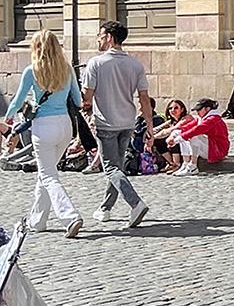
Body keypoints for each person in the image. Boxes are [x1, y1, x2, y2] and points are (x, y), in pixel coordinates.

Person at [0, 30, 84, 238]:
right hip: (65, 126)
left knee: (48, 175)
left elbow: (18, 100)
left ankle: (70, 216)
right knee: (46, 173)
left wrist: (9, 118)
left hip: (43, 127)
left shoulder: (32, 70)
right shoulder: (67, 69)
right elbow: (78, 100)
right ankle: (37, 221)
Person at [81, 20, 152, 228]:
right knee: (117, 168)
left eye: (101, 36)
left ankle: (135, 203)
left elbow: (86, 97)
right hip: (127, 122)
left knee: (111, 168)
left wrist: (82, 103)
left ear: (110, 38)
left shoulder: (96, 63)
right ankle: (106, 208)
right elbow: (144, 98)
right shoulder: (135, 65)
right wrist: (149, 125)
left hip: (106, 122)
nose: (98, 39)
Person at [168, 98, 230, 176]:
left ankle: (193, 166)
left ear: (207, 109)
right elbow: (186, 128)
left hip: (218, 150)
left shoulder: (213, 119)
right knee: (183, 134)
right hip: (210, 148)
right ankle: (186, 164)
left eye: (199, 109)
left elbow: (197, 130)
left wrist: (176, 140)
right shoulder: (201, 119)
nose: (197, 112)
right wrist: (173, 135)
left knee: (194, 136)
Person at [152, 99, 195, 173]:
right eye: (170, 108)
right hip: (184, 143)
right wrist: (150, 135)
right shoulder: (172, 121)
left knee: (173, 137)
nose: (172, 110)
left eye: (176, 108)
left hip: (192, 142)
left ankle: (177, 164)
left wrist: (153, 136)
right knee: (158, 141)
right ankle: (171, 163)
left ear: (182, 109)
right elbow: (158, 129)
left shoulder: (186, 118)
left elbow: (172, 129)